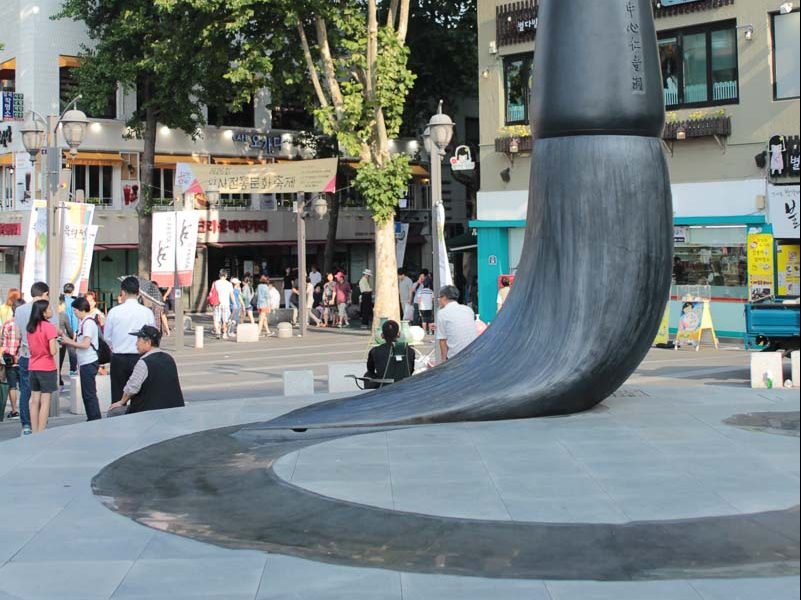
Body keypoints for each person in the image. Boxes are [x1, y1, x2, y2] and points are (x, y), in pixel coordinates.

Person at [108, 325, 185, 414]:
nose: (136, 344)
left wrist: (121, 402)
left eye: (138, 340)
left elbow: (132, 388)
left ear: (148, 342)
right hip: (174, 409)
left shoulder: (144, 363)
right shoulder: (169, 358)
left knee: (113, 412)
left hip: (148, 412)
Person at [105, 276, 156, 407]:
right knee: (140, 395)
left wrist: (116, 345)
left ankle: (119, 423)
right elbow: (153, 334)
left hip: (119, 358)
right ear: (138, 292)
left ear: (122, 292)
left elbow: (107, 337)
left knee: (118, 396)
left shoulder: (114, 312)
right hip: (141, 358)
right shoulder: (147, 312)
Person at [15, 282, 54, 435]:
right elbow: (52, 341)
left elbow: (18, 334)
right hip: (44, 360)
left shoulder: (19, 310)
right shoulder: (44, 310)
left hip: (27, 355)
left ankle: (26, 425)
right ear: (44, 293)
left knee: (26, 391)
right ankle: (40, 429)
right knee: (44, 398)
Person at [58, 297, 101, 421]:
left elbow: (86, 344)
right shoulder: (84, 322)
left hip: (89, 361)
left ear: (82, 309)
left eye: (75, 310)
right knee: (87, 393)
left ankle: (94, 419)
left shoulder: (88, 323)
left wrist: (68, 342)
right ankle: (92, 417)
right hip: (84, 362)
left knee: (89, 394)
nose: (75, 313)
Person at [26, 299, 59, 433]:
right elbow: (53, 351)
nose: (51, 311)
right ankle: (41, 431)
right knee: (45, 401)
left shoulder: (30, 328)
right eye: (49, 309)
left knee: (34, 401)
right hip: (47, 367)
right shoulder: (49, 327)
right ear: (44, 313)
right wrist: (57, 343)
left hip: (33, 366)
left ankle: (34, 431)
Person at [364, 319, 415, 388]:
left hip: (384, 385)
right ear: (398, 334)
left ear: (382, 335)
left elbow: (370, 369)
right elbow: (411, 370)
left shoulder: (375, 351)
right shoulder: (410, 350)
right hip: (404, 384)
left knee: (367, 375)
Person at [435, 285, 478, 362]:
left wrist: (443, 362)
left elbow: (442, 340)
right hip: (474, 353)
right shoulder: (468, 309)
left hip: (455, 357)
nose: (438, 300)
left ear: (444, 297)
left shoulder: (442, 313)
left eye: (439, 298)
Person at [1, 298, 24, 420]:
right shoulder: (26, 324)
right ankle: (25, 408)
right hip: (23, 358)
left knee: (12, 385)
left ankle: (14, 410)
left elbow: (3, 343)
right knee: (24, 385)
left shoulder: (8, 324)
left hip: (9, 358)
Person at [58, 284, 79, 384]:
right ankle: (72, 370)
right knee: (72, 351)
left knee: (59, 355)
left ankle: (59, 374)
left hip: (60, 330)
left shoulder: (60, 299)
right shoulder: (72, 302)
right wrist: (74, 331)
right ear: (72, 291)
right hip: (68, 329)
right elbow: (74, 317)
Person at [210, 269, 235, 339]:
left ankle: (218, 332)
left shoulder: (215, 283)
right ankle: (224, 333)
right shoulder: (229, 284)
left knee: (216, 319)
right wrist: (234, 303)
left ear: (219, 275)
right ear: (226, 275)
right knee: (225, 319)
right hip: (226, 304)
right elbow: (231, 295)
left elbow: (211, 293)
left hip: (217, 303)